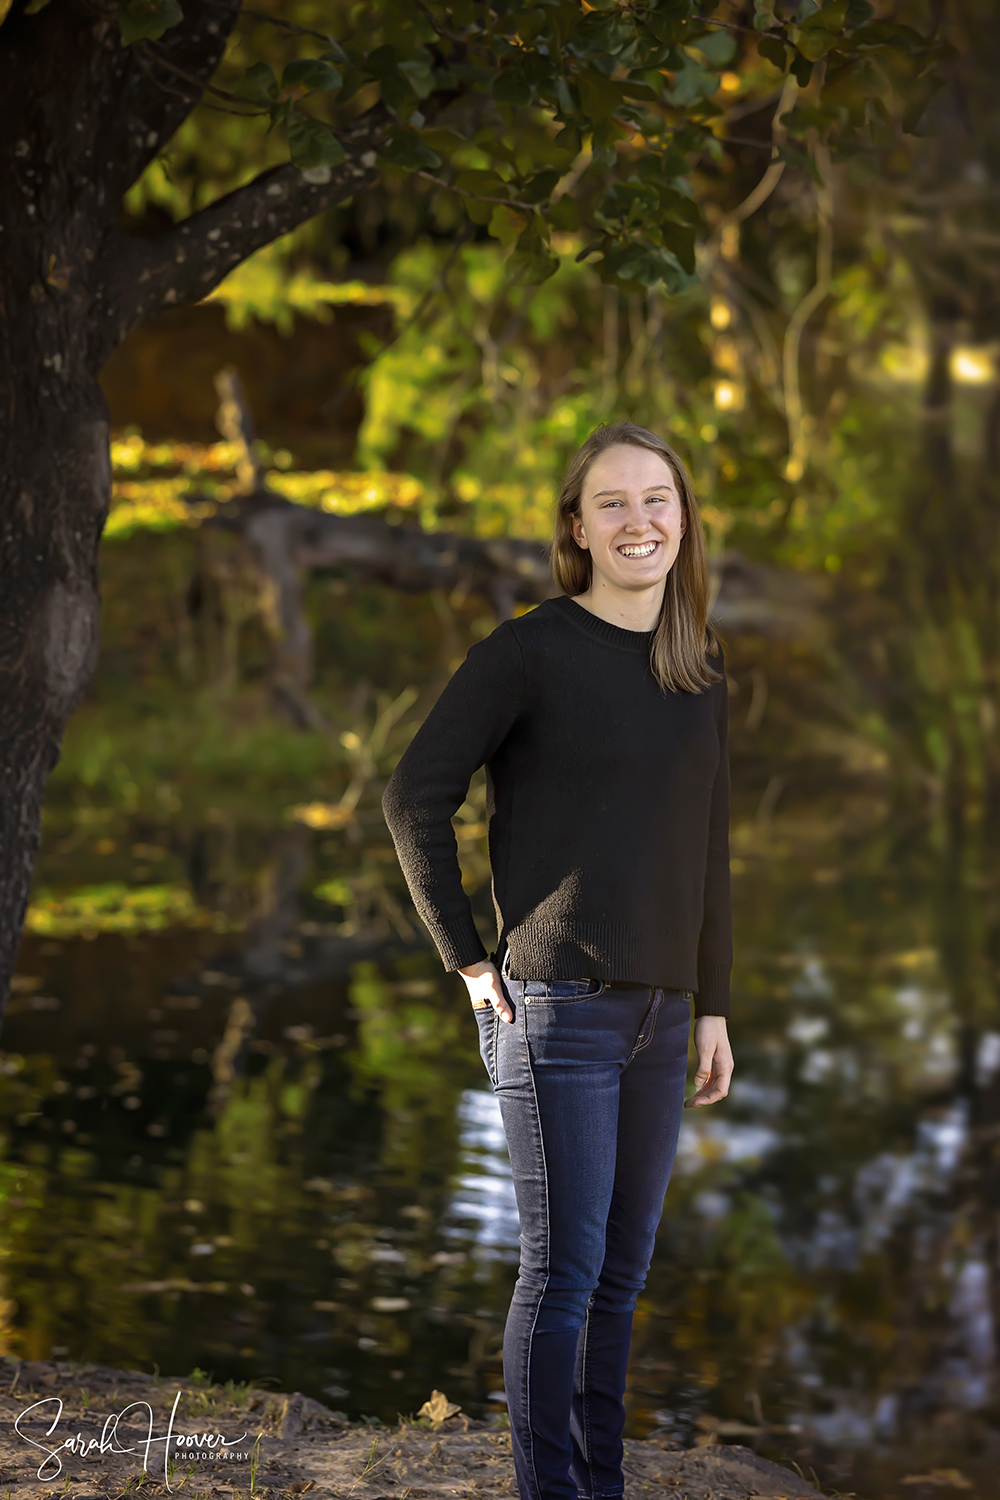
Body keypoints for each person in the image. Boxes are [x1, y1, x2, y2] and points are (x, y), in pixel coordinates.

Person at [382, 422, 734, 1500]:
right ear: (575, 529)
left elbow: (709, 852)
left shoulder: (697, 674)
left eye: (657, 499)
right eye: (614, 504)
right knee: (564, 1273)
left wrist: (712, 1008)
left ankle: (601, 1484)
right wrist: (466, 959)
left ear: (683, 520)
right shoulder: (528, 651)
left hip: (662, 1020)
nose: (640, 521)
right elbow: (413, 797)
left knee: (621, 1277)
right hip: (556, 1012)